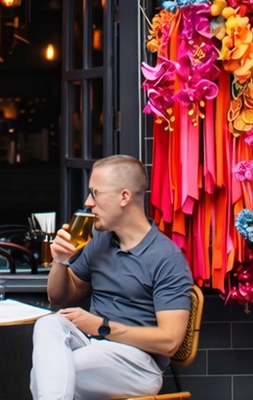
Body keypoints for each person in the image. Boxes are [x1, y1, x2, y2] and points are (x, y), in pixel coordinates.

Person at [30, 155, 193, 400]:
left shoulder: (166, 257)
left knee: (46, 374)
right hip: (93, 346)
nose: (88, 202)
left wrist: (102, 326)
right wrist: (61, 261)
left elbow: (170, 342)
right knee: (48, 324)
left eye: (95, 193)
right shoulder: (100, 243)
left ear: (124, 197)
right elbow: (59, 297)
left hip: (139, 363)